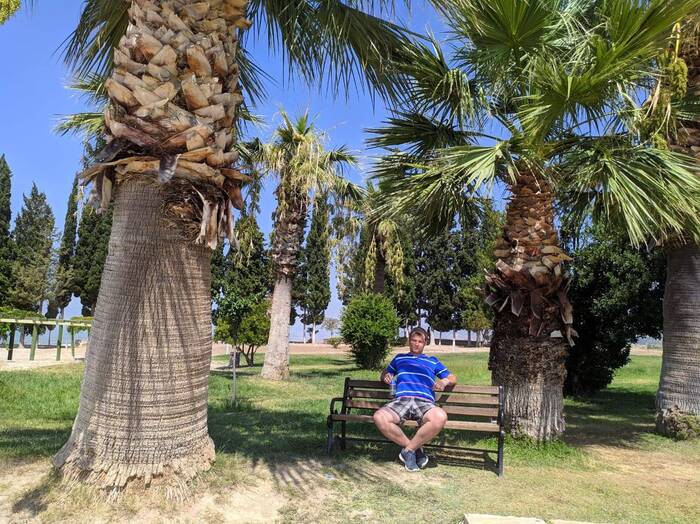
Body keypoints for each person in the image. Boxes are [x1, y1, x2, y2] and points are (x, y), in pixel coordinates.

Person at [372, 327, 457, 471]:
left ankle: (408, 451)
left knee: (440, 417)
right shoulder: (399, 358)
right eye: (414, 340)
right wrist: (385, 376)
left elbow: (452, 377)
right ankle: (414, 450)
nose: (416, 344)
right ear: (409, 341)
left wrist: (444, 381)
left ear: (425, 343)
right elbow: (385, 373)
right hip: (402, 400)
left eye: (420, 341)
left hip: (424, 402)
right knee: (379, 417)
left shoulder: (432, 361)